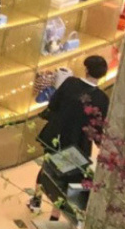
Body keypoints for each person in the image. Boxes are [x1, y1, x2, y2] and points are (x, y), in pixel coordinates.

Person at [28, 54, 110, 213]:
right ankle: (55, 214)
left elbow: (53, 104)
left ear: (86, 69)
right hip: (78, 143)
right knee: (66, 178)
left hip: (56, 135)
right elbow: (98, 126)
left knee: (47, 168)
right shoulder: (102, 99)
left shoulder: (70, 83)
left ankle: (36, 200)